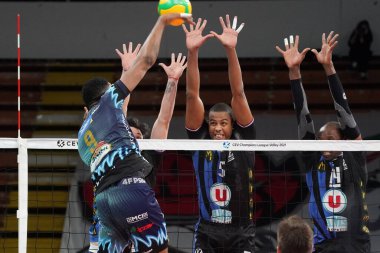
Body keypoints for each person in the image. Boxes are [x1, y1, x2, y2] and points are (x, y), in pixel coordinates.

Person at [78, 13, 193, 253]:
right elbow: (148, 60)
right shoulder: (109, 101)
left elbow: (119, 117)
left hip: (103, 202)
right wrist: (162, 22)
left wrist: (125, 70)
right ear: (107, 92)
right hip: (130, 189)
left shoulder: (82, 137)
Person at [276, 32, 370, 253]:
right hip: (322, 246)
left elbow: (344, 112)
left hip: (356, 245)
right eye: (320, 140)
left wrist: (329, 68)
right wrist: (294, 72)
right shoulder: (311, 158)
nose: (324, 144)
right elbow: (303, 114)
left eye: (331, 138)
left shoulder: (354, 155)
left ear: (343, 140)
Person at [182, 15, 256, 252]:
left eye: (224, 123)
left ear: (233, 125)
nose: (217, 128)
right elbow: (192, 95)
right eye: (213, 123)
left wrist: (230, 50)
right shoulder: (200, 139)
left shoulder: (244, 139)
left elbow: (239, 94)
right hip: (207, 231)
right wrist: (192, 53)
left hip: (241, 230)